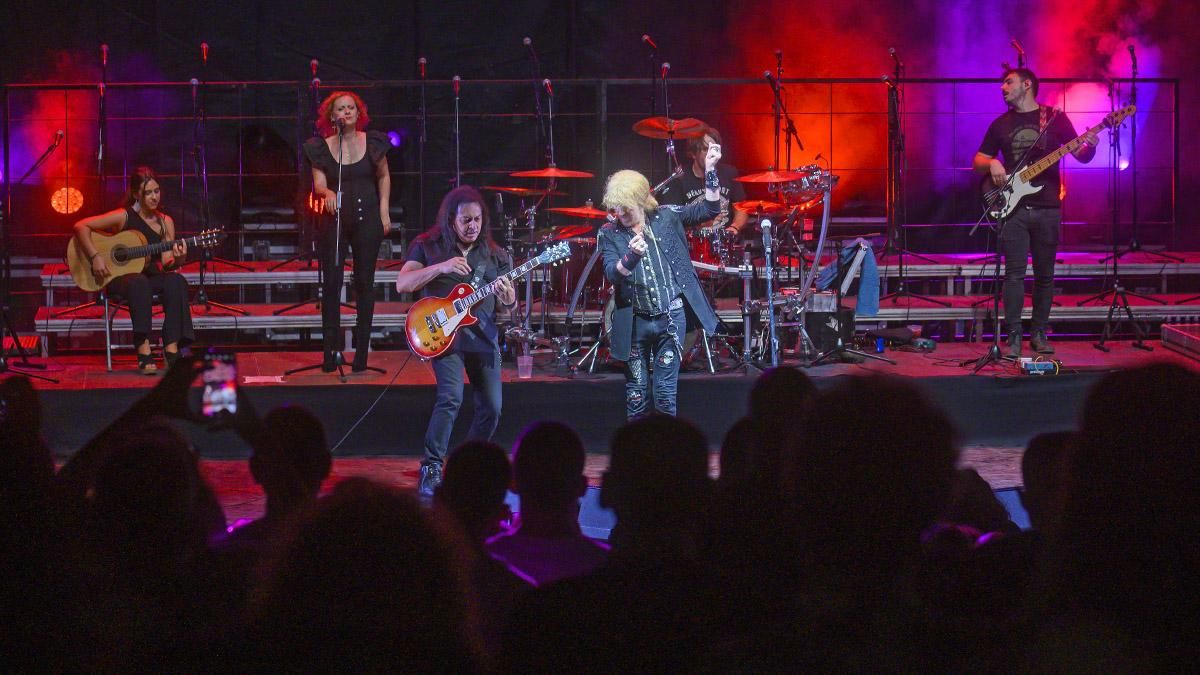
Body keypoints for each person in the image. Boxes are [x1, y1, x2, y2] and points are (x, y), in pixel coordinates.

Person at [395, 186, 516, 497]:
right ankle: (431, 467)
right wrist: (443, 267)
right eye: (465, 220)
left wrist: (510, 298)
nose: (472, 226)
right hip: (444, 338)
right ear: (451, 221)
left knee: (493, 407)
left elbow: (509, 306)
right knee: (451, 398)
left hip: (483, 337)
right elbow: (403, 283)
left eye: (477, 220)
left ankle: (468, 465)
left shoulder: (495, 255)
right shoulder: (427, 246)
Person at [973, 67, 1098, 356]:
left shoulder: (1054, 118)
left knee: (1045, 275)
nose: (1002, 87)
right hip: (1012, 208)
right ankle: (1013, 336)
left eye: (1008, 82)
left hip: (1047, 207)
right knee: (1013, 275)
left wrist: (1090, 146)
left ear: (1026, 84)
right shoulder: (1000, 124)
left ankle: (1039, 333)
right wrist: (992, 164)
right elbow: (978, 159)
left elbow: (1080, 154)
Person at [598, 141, 722, 418]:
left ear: (641, 200)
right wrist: (630, 257)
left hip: (670, 319)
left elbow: (710, 210)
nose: (621, 214)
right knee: (637, 393)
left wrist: (711, 169)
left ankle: (666, 455)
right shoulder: (610, 233)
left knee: (665, 393)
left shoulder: (666, 217)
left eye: (626, 208)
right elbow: (611, 273)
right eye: (617, 208)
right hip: (634, 323)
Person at [302, 90, 392, 372]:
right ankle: (330, 352)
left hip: (368, 219)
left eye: (351, 107)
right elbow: (318, 183)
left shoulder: (374, 142)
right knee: (332, 282)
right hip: (336, 220)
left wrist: (384, 210)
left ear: (358, 112)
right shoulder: (321, 146)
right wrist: (327, 191)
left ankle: (362, 356)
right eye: (341, 109)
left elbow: (384, 175)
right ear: (332, 116)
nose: (347, 112)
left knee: (364, 282)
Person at [73, 166, 194, 374]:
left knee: (176, 281)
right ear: (137, 194)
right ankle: (142, 345)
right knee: (139, 282)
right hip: (120, 278)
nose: (154, 197)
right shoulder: (124, 217)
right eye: (148, 193)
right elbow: (80, 226)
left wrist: (180, 256)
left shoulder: (166, 222)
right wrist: (95, 257)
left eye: (157, 191)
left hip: (150, 276)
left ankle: (171, 345)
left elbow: (167, 263)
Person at [659, 126, 748, 239]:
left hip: (724, 243)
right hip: (695, 243)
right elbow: (672, 219)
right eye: (705, 149)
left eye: (714, 149)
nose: (711, 154)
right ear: (693, 153)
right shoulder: (680, 178)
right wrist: (700, 223)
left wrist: (734, 228)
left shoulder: (729, 173)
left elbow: (742, 208)